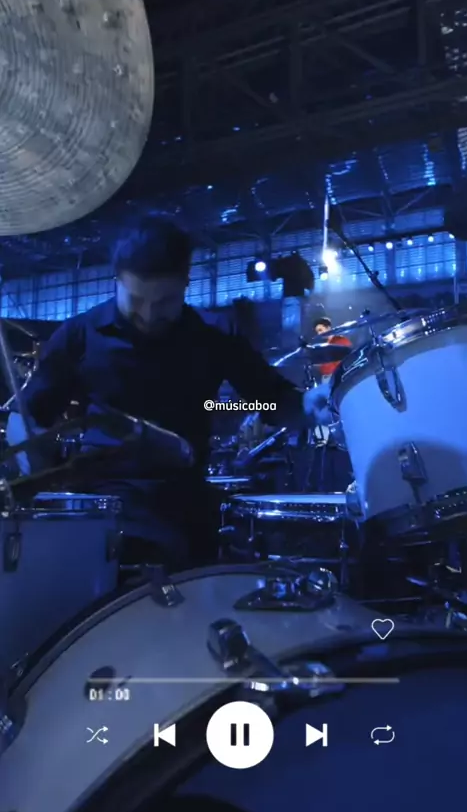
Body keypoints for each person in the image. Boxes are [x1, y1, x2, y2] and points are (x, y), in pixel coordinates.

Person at [6, 217, 330, 571]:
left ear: (186, 283)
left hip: (186, 503)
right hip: (106, 506)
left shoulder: (215, 334)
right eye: (136, 300)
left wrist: (305, 405)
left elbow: (267, 399)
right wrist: (33, 460)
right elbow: (29, 413)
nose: (148, 315)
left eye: (165, 302)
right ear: (117, 280)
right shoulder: (80, 335)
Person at [313, 316, 351, 384]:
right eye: (317, 331)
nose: (319, 334)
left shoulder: (341, 341)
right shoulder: (326, 344)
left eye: (320, 330)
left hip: (336, 378)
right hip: (326, 378)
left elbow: (344, 363)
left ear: (328, 328)